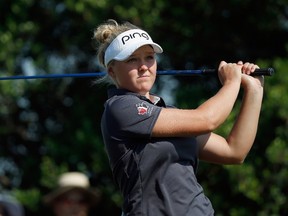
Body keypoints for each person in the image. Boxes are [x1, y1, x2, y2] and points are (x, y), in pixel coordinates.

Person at [93, 19, 264, 215]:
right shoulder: (120, 108)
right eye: (132, 59)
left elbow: (234, 151)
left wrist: (254, 89)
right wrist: (231, 83)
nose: (143, 67)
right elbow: (207, 120)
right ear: (112, 70)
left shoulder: (167, 112)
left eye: (149, 57)